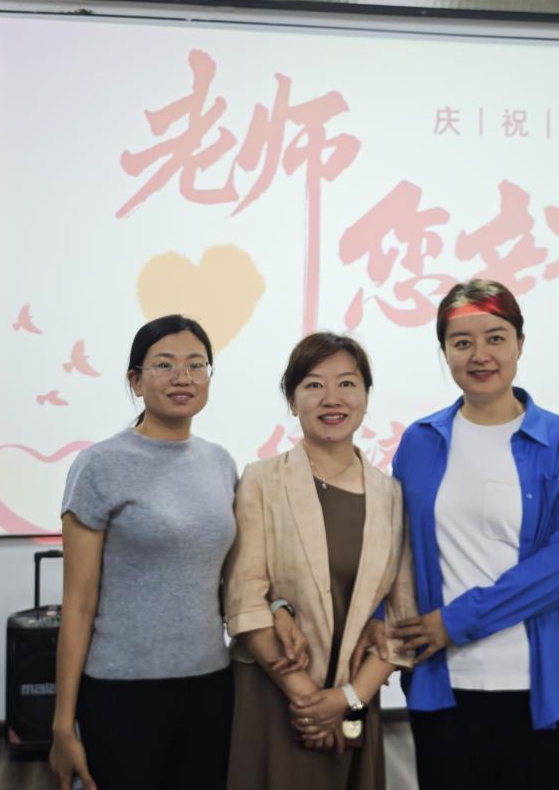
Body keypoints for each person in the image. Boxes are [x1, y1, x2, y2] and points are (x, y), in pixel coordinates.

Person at [360, 278, 559, 790]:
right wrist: (381, 622)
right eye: (462, 342)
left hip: (548, 685)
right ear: (445, 352)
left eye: (495, 338)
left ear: (520, 343)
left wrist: (457, 621)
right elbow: (396, 547)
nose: (480, 355)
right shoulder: (421, 441)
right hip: (446, 683)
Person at [49, 314, 238, 790]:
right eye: (164, 365)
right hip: (121, 689)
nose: (182, 377)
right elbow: (78, 603)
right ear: (135, 381)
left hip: (210, 682)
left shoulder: (220, 463)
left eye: (196, 364)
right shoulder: (99, 465)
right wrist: (62, 723)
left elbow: (228, 577)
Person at [223, 332, 417, 790]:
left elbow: (401, 620)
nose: (332, 398)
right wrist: (310, 702)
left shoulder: (392, 496)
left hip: (353, 704)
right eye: (313, 385)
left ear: (366, 396)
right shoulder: (262, 480)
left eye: (347, 383)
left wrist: (347, 699)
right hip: (273, 695)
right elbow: (245, 599)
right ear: (293, 401)